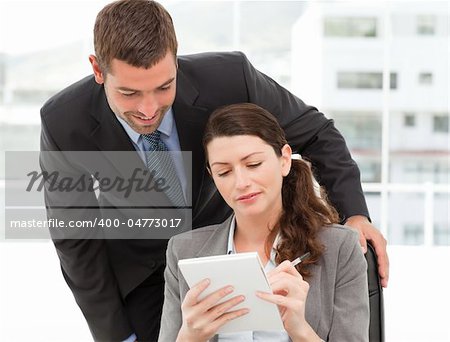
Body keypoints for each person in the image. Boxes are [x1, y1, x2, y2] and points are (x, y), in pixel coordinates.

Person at [39, 0, 386, 341]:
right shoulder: (64, 122)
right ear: (98, 70)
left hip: (236, 247)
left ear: (175, 61)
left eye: (164, 88)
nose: (148, 110)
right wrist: (118, 335)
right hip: (144, 275)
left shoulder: (230, 78)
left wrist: (354, 213)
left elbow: (316, 133)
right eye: (129, 93)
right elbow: (75, 237)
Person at [158, 103, 370, 342]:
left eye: (253, 165)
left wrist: (300, 330)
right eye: (224, 172)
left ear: (285, 160)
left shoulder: (340, 247)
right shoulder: (184, 250)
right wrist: (190, 336)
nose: (241, 182)